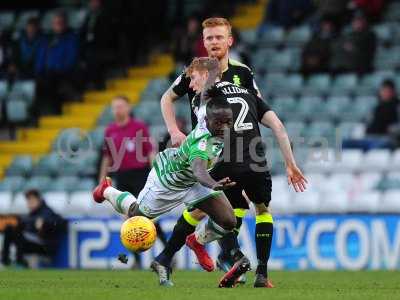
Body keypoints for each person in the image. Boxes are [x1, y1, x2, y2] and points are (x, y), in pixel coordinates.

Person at [93, 58, 250, 287]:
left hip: (194, 180)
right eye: (222, 124)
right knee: (138, 215)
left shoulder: (210, 108)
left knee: (228, 220)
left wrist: (214, 64)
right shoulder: (203, 144)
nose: (226, 127)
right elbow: (198, 170)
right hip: (170, 180)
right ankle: (107, 190)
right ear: (210, 122)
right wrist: (213, 184)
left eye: (229, 122)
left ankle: (196, 241)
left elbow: (208, 88)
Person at [154, 57, 308, 288]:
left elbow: (204, 134)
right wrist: (291, 164)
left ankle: (197, 253)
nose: (191, 84)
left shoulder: (203, 98)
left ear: (206, 76)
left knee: (207, 208)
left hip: (223, 160)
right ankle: (260, 273)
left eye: (193, 78)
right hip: (256, 162)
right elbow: (278, 126)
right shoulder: (249, 93)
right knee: (260, 210)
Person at [159, 17, 265, 285]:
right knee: (219, 205)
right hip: (208, 152)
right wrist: (174, 131)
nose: (214, 42)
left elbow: (258, 106)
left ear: (229, 40)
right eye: (209, 38)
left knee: (225, 206)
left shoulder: (243, 73)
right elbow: (166, 98)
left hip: (240, 150)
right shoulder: (195, 71)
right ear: (203, 41)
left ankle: (166, 257)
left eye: (219, 37)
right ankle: (230, 254)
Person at [98, 95, 158, 268]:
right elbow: (107, 157)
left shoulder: (139, 127)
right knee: (129, 218)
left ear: (128, 108)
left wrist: (156, 173)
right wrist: (102, 179)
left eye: (120, 106)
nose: (117, 110)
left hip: (141, 175)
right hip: (121, 174)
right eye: (114, 107)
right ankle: (137, 260)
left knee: (146, 215)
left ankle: (165, 251)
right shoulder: (110, 131)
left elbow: (150, 152)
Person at [1, 189, 66, 268]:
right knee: (9, 229)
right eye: (28, 201)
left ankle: (18, 262)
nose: (30, 203)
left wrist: (45, 223)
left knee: (15, 233)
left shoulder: (47, 211)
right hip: (31, 242)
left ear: (39, 200)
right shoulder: (31, 214)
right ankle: (6, 261)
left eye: (32, 200)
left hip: (44, 246)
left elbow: (62, 222)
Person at [35, 11, 80, 115]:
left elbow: (71, 58)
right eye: (55, 23)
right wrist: (39, 71)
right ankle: (39, 114)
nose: (58, 25)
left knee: (52, 83)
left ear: (65, 24)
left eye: (60, 23)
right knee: (38, 83)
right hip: (48, 73)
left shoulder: (71, 38)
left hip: (63, 72)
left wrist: (60, 69)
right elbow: (41, 56)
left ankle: (56, 110)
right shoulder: (47, 39)